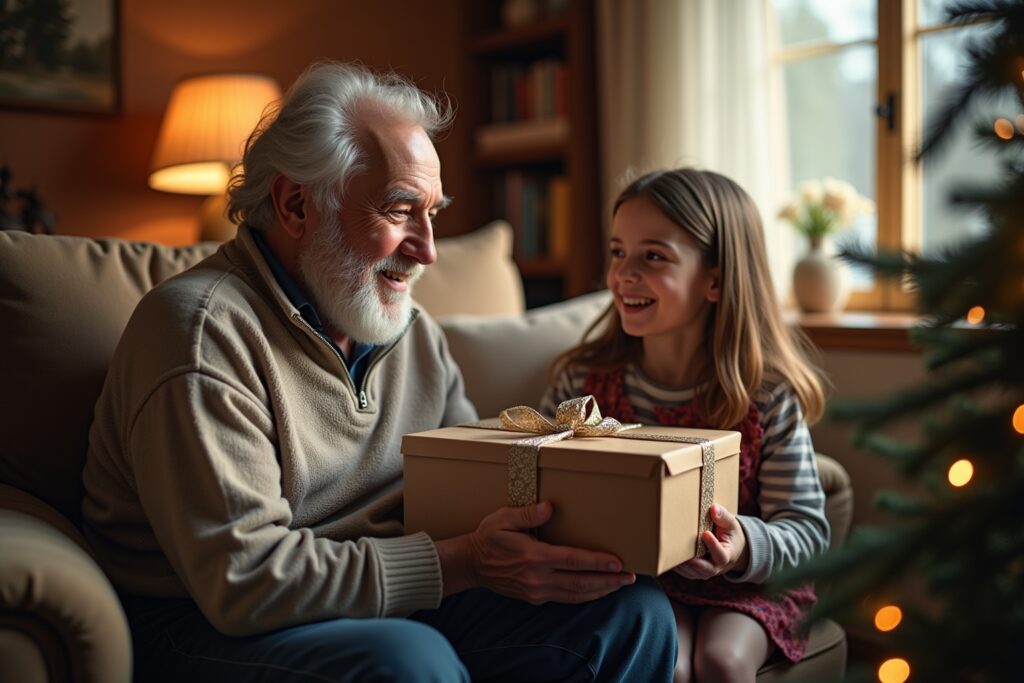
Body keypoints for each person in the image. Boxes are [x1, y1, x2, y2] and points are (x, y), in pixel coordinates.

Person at [82, 61, 677, 682]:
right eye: (398, 211)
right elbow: (245, 581)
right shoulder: (200, 332)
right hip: (203, 625)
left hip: (386, 598)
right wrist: (464, 564)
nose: (428, 250)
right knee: (408, 664)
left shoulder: (409, 329)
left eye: (432, 214)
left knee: (630, 613)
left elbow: (464, 495)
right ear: (295, 205)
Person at [541, 168, 831, 683]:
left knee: (721, 662)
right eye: (617, 252)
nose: (623, 274)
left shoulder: (766, 396)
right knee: (667, 665)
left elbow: (807, 531)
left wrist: (742, 545)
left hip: (749, 585)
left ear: (715, 279)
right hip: (638, 584)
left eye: (653, 256)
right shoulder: (582, 383)